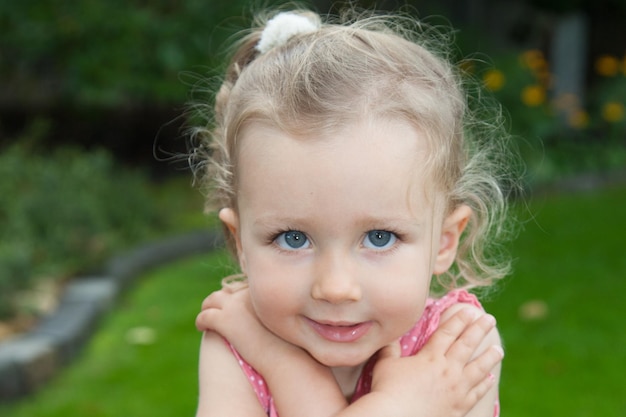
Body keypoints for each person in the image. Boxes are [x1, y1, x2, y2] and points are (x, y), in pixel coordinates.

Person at [190, 7, 518, 417]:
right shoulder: (237, 337)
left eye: (379, 237)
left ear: (444, 241)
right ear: (241, 243)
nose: (335, 287)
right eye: (293, 238)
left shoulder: (456, 345)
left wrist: (279, 363)